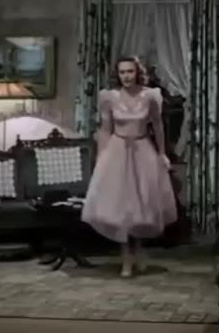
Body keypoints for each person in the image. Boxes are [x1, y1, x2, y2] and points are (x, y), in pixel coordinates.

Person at [81, 56, 178, 277]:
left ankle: (139, 251)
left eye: (130, 71)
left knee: (141, 205)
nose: (126, 76)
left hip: (142, 150)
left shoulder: (150, 96)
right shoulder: (109, 97)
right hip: (117, 150)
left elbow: (158, 126)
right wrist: (102, 157)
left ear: (137, 73)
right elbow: (106, 128)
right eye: (122, 72)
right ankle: (126, 257)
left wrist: (162, 153)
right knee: (121, 206)